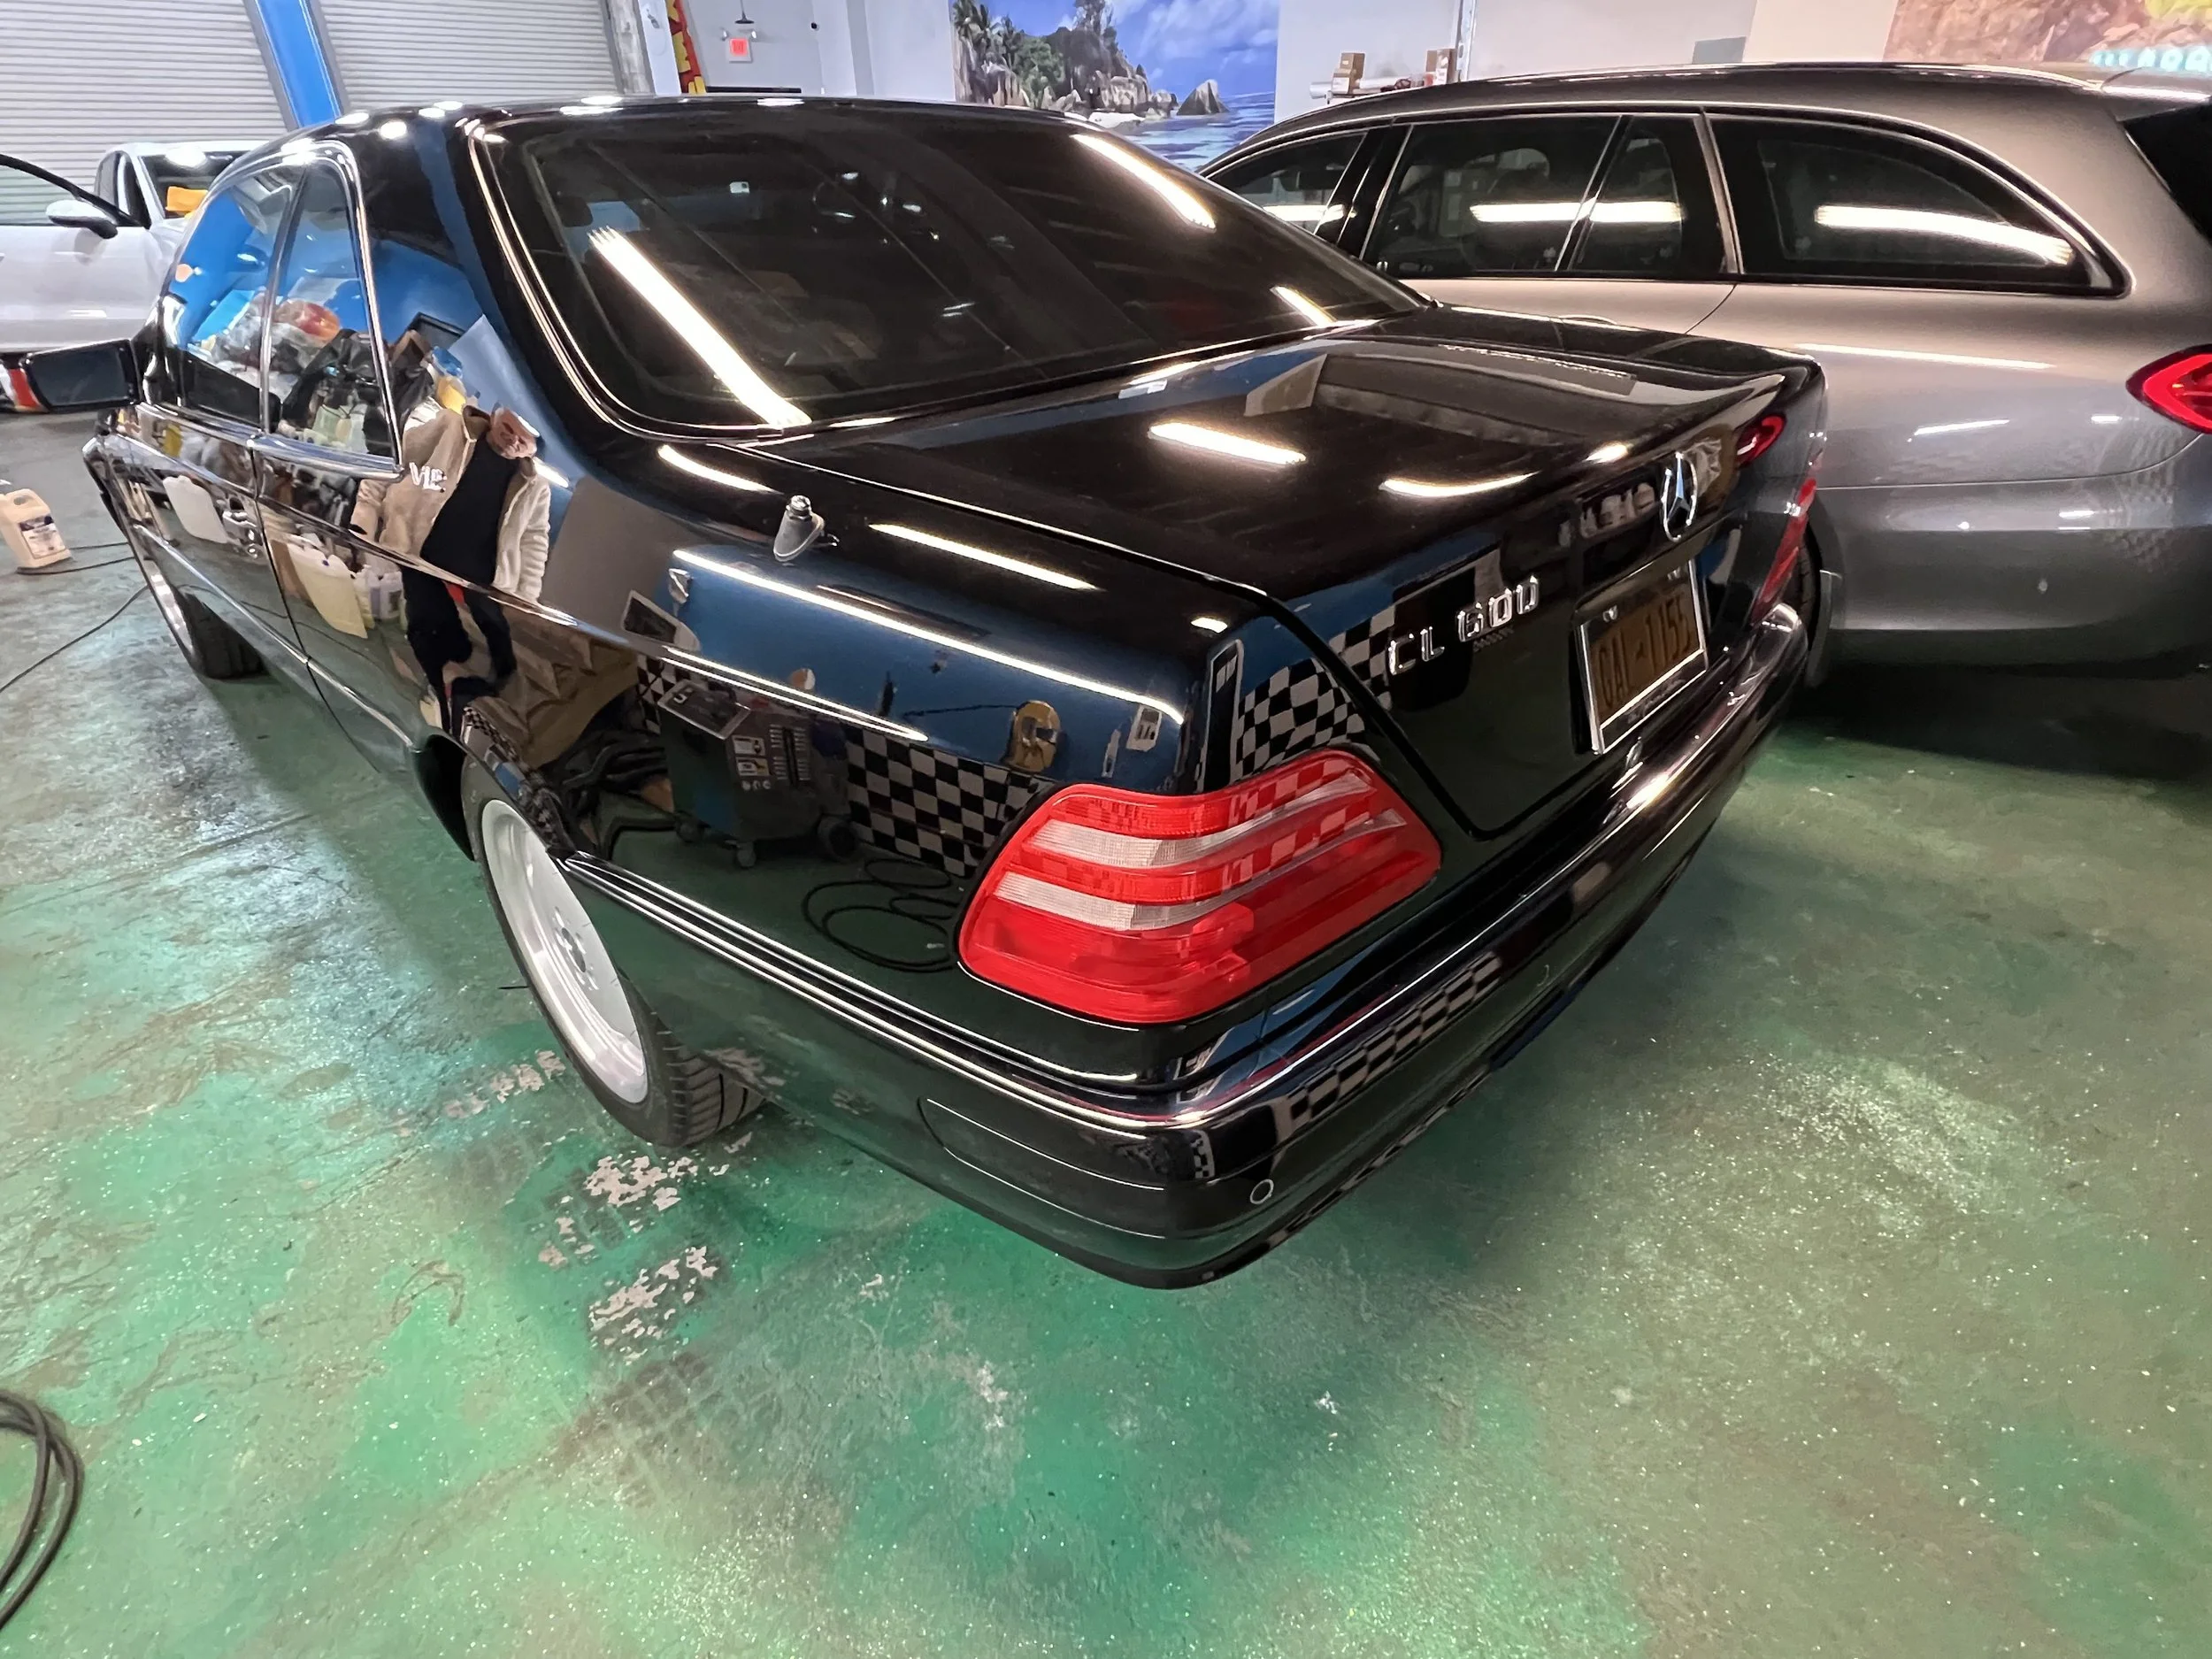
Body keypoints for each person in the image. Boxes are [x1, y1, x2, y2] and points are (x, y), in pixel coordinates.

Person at [352, 403, 550, 726]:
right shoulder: (448, 429)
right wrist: (364, 517)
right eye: (508, 429)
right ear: (495, 418)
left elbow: (533, 541)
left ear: (534, 448)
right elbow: (391, 463)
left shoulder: (535, 486)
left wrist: (526, 600)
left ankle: (468, 711)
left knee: (503, 661)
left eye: (523, 440)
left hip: (484, 586)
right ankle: (427, 712)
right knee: (427, 642)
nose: (513, 441)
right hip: (423, 564)